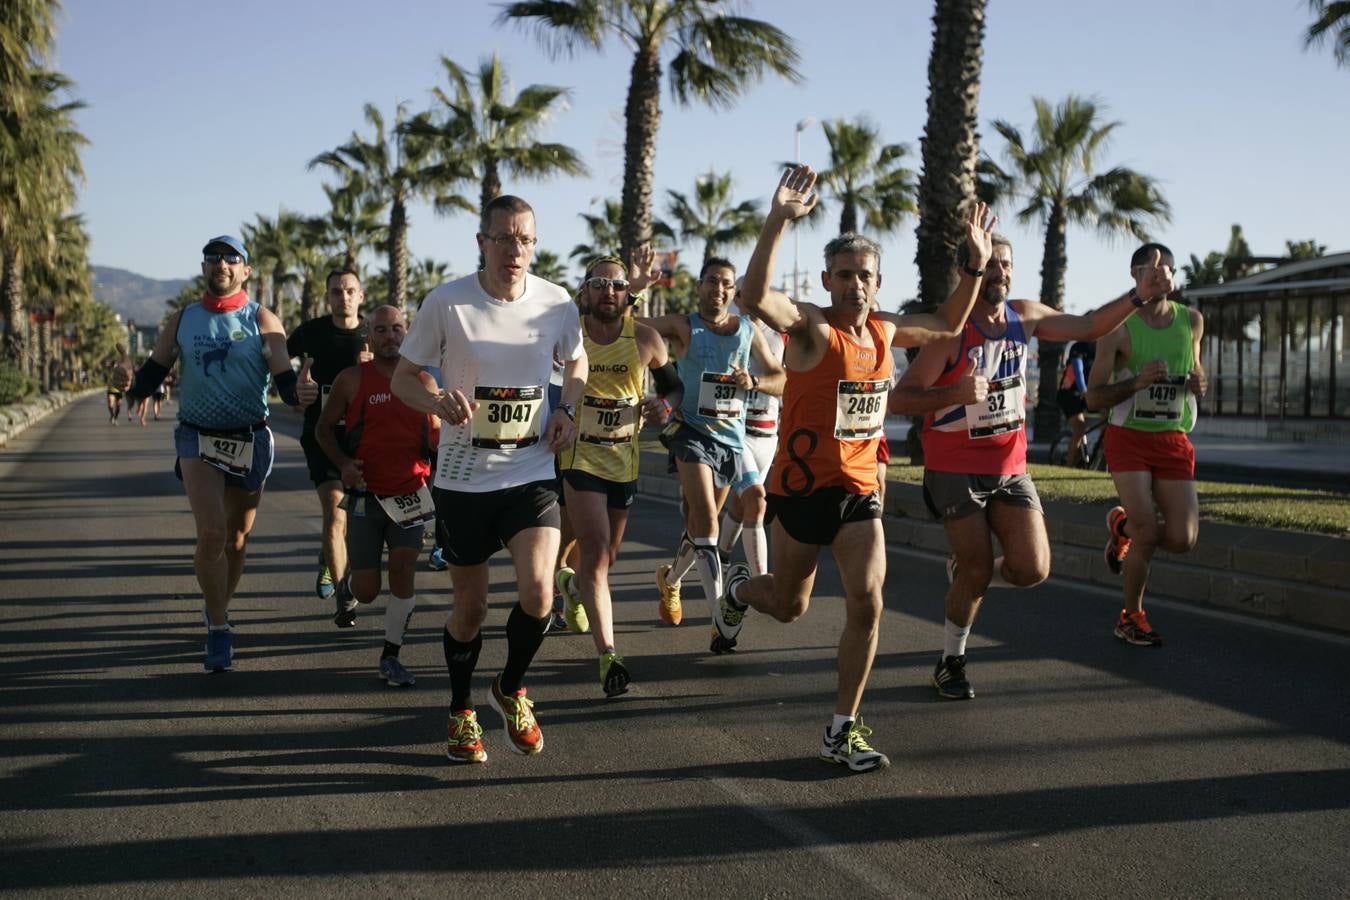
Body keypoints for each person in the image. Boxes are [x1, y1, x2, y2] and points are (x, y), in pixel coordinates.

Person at [723, 164, 996, 772]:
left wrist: (973, 267)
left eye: (864, 277)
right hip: (799, 491)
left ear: (877, 284)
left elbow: (949, 324)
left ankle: (842, 728)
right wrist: (777, 220)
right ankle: (740, 590)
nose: (854, 286)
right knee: (789, 606)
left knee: (868, 601)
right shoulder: (813, 329)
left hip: (859, 491)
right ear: (827, 280)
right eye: (843, 276)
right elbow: (755, 297)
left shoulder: (886, 331)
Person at [889, 221, 1166, 703]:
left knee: (1033, 567)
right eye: (991, 263)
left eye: (1007, 265)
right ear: (968, 269)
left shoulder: (1025, 316)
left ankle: (966, 576)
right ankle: (950, 661)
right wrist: (954, 392)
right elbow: (901, 399)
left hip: (1009, 466)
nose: (1000, 273)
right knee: (976, 570)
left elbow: (1089, 325)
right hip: (954, 467)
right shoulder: (949, 334)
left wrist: (1137, 296)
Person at [392, 194, 586, 764]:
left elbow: (575, 362)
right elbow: (406, 378)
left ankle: (512, 687)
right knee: (471, 609)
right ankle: (460, 710)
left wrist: (566, 409)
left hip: (529, 471)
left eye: (525, 240)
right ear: (483, 242)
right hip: (462, 478)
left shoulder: (556, 302)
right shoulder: (447, 303)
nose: (515, 251)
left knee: (539, 592)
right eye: (504, 239)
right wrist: (434, 399)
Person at [126, 234, 315, 672]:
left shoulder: (262, 319)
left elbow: (283, 377)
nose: (221, 266)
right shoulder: (181, 320)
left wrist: (299, 393)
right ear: (204, 269)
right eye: (213, 259)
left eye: (231, 259)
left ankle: (218, 606)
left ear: (245, 271)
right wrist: (130, 386)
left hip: (249, 437)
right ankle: (217, 626)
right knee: (211, 533)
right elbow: (154, 371)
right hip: (197, 436)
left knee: (235, 538)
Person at [553, 253, 681, 696]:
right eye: (599, 284)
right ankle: (609, 655)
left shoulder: (645, 339)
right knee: (596, 548)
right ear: (584, 292)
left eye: (617, 285)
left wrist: (664, 408)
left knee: (604, 560)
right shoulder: (568, 337)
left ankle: (569, 586)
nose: (609, 292)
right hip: (578, 457)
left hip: (623, 460)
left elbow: (673, 387)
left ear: (629, 294)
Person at [643, 257, 786, 646]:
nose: (718, 290)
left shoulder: (748, 330)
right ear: (700, 286)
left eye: (725, 283)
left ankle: (670, 579)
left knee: (697, 526)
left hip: (731, 440)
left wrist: (754, 380)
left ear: (733, 291)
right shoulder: (683, 325)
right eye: (711, 282)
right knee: (706, 519)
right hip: (690, 433)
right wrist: (637, 287)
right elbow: (630, 327)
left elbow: (781, 378)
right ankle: (722, 618)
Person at [1086, 244, 1205, 647]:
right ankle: (1131, 616)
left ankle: (1120, 527)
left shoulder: (1192, 320)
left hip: (1173, 438)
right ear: (1135, 275)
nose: (1160, 275)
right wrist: (1135, 383)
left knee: (1183, 539)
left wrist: (1199, 382)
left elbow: (1196, 368)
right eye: (1151, 269)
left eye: (1166, 268)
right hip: (1129, 438)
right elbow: (1093, 397)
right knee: (1148, 534)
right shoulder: (1117, 328)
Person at [316, 305, 439, 685]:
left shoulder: (425, 382)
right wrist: (343, 465)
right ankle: (347, 586)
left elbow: (436, 440)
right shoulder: (351, 379)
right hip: (366, 496)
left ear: (409, 333)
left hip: (410, 494)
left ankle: (391, 655)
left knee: (403, 571)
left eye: (397, 329)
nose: (391, 337)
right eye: (382, 330)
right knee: (368, 591)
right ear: (369, 335)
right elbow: (323, 429)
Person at [287, 269, 368, 618]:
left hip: (364, 439)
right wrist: (294, 389)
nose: (343, 297)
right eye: (336, 291)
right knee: (335, 510)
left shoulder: (374, 334)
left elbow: (404, 376)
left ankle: (328, 554)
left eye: (350, 291)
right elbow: (275, 366)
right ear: (327, 296)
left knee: (354, 517)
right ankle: (344, 593)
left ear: (361, 296)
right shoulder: (310, 333)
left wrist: (377, 367)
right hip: (321, 434)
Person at [714, 288, 787, 576]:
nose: (751, 300)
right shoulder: (723, 332)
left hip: (768, 434)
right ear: (736, 299)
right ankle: (762, 579)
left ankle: (716, 556)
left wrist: (755, 382)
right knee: (756, 500)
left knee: (742, 503)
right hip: (735, 433)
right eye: (744, 293)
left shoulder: (781, 335)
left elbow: (787, 383)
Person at [1056, 340, 1097, 466]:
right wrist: (1084, 390)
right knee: (1079, 429)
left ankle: (1095, 457)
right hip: (1070, 395)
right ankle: (1068, 466)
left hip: (1086, 395)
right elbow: (1077, 370)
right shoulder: (1079, 346)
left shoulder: (1103, 348)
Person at [104, 344, 132, 424]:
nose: (114, 366)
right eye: (113, 365)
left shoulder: (120, 369)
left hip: (119, 389)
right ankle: (112, 415)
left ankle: (115, 417)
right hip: (111, 389)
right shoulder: (109, 370)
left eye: (115, 365)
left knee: (119, 405)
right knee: (110, 403)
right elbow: (106, 364)